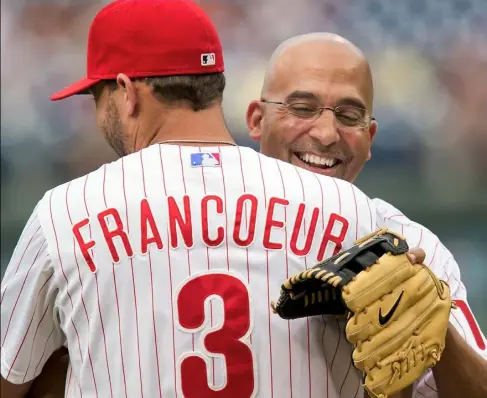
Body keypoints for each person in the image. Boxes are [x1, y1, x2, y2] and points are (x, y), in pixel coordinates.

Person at [0, 2, 398, 398]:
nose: (98, 113)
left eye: (97, 98)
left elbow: (9, 378)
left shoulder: (65, 213)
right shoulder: (346, 208)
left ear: (126, 94)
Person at [246, 33, 487, 398]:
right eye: (302, 108)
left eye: (348, 115)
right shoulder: (200, 219)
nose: (327, 134)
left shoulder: (412, 245)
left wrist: (437, 330)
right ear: (256, 120)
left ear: (370, 137)